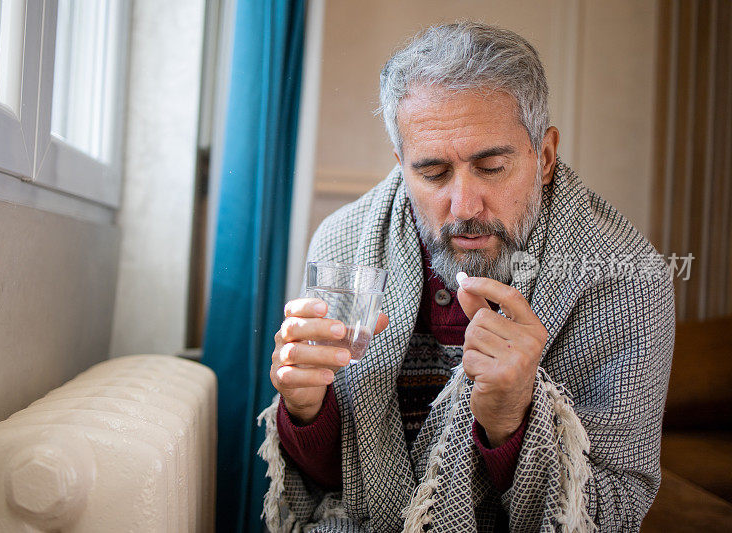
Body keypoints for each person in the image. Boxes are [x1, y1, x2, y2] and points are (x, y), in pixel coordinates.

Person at [258, 21, 674, 532]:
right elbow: (336, 485)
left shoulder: (626, 276)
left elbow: (614, 512)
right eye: (432, 173)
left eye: (492, 166)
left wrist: (513, 421)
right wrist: (305, 412)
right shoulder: (344, 242)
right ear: (401, 164)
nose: (463, 206)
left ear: (543, 156)